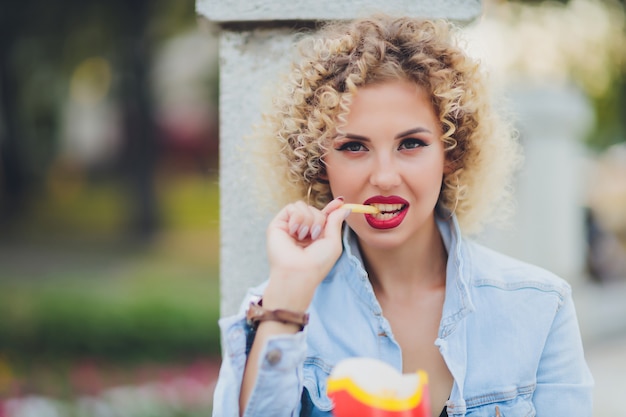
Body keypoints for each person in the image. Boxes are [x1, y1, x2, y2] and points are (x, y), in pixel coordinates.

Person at [212, 14, 594, 417]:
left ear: (451, 154)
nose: (384, 177)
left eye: (410, 143)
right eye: (354, 147)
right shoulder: (280, 305)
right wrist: (289, 292)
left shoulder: (539, 307)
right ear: (319, 163)